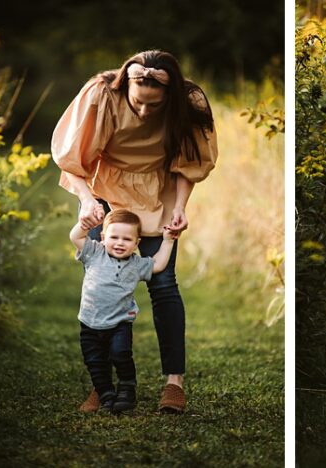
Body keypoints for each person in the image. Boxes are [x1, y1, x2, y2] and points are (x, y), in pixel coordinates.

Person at [52, 50, 218, 414]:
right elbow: (71, 158)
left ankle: (174, 384)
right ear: (127, 85)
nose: (144, 112)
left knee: (163, 284)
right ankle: (103, 385)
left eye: (154, 107)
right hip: (107, 194)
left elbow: (188, 165)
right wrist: (85, 201)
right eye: (138, 103)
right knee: (102, 283)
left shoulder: (188, 101)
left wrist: (179, 207)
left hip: (158, 195)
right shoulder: (101, 93)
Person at [70, 210, 178, 413]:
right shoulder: (94, 252)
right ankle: (106, 394)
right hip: (90, 322)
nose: (120, 243)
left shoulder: (136, 264)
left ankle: (127, 388)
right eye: (114, 237)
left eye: (127, 239)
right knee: (95, 362)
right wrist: (84, 224)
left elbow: (158, 264)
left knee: (121, 354)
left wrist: (168, 241)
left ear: (136, 243)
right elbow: (75, 236)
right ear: (103, 238)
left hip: (120, 323)